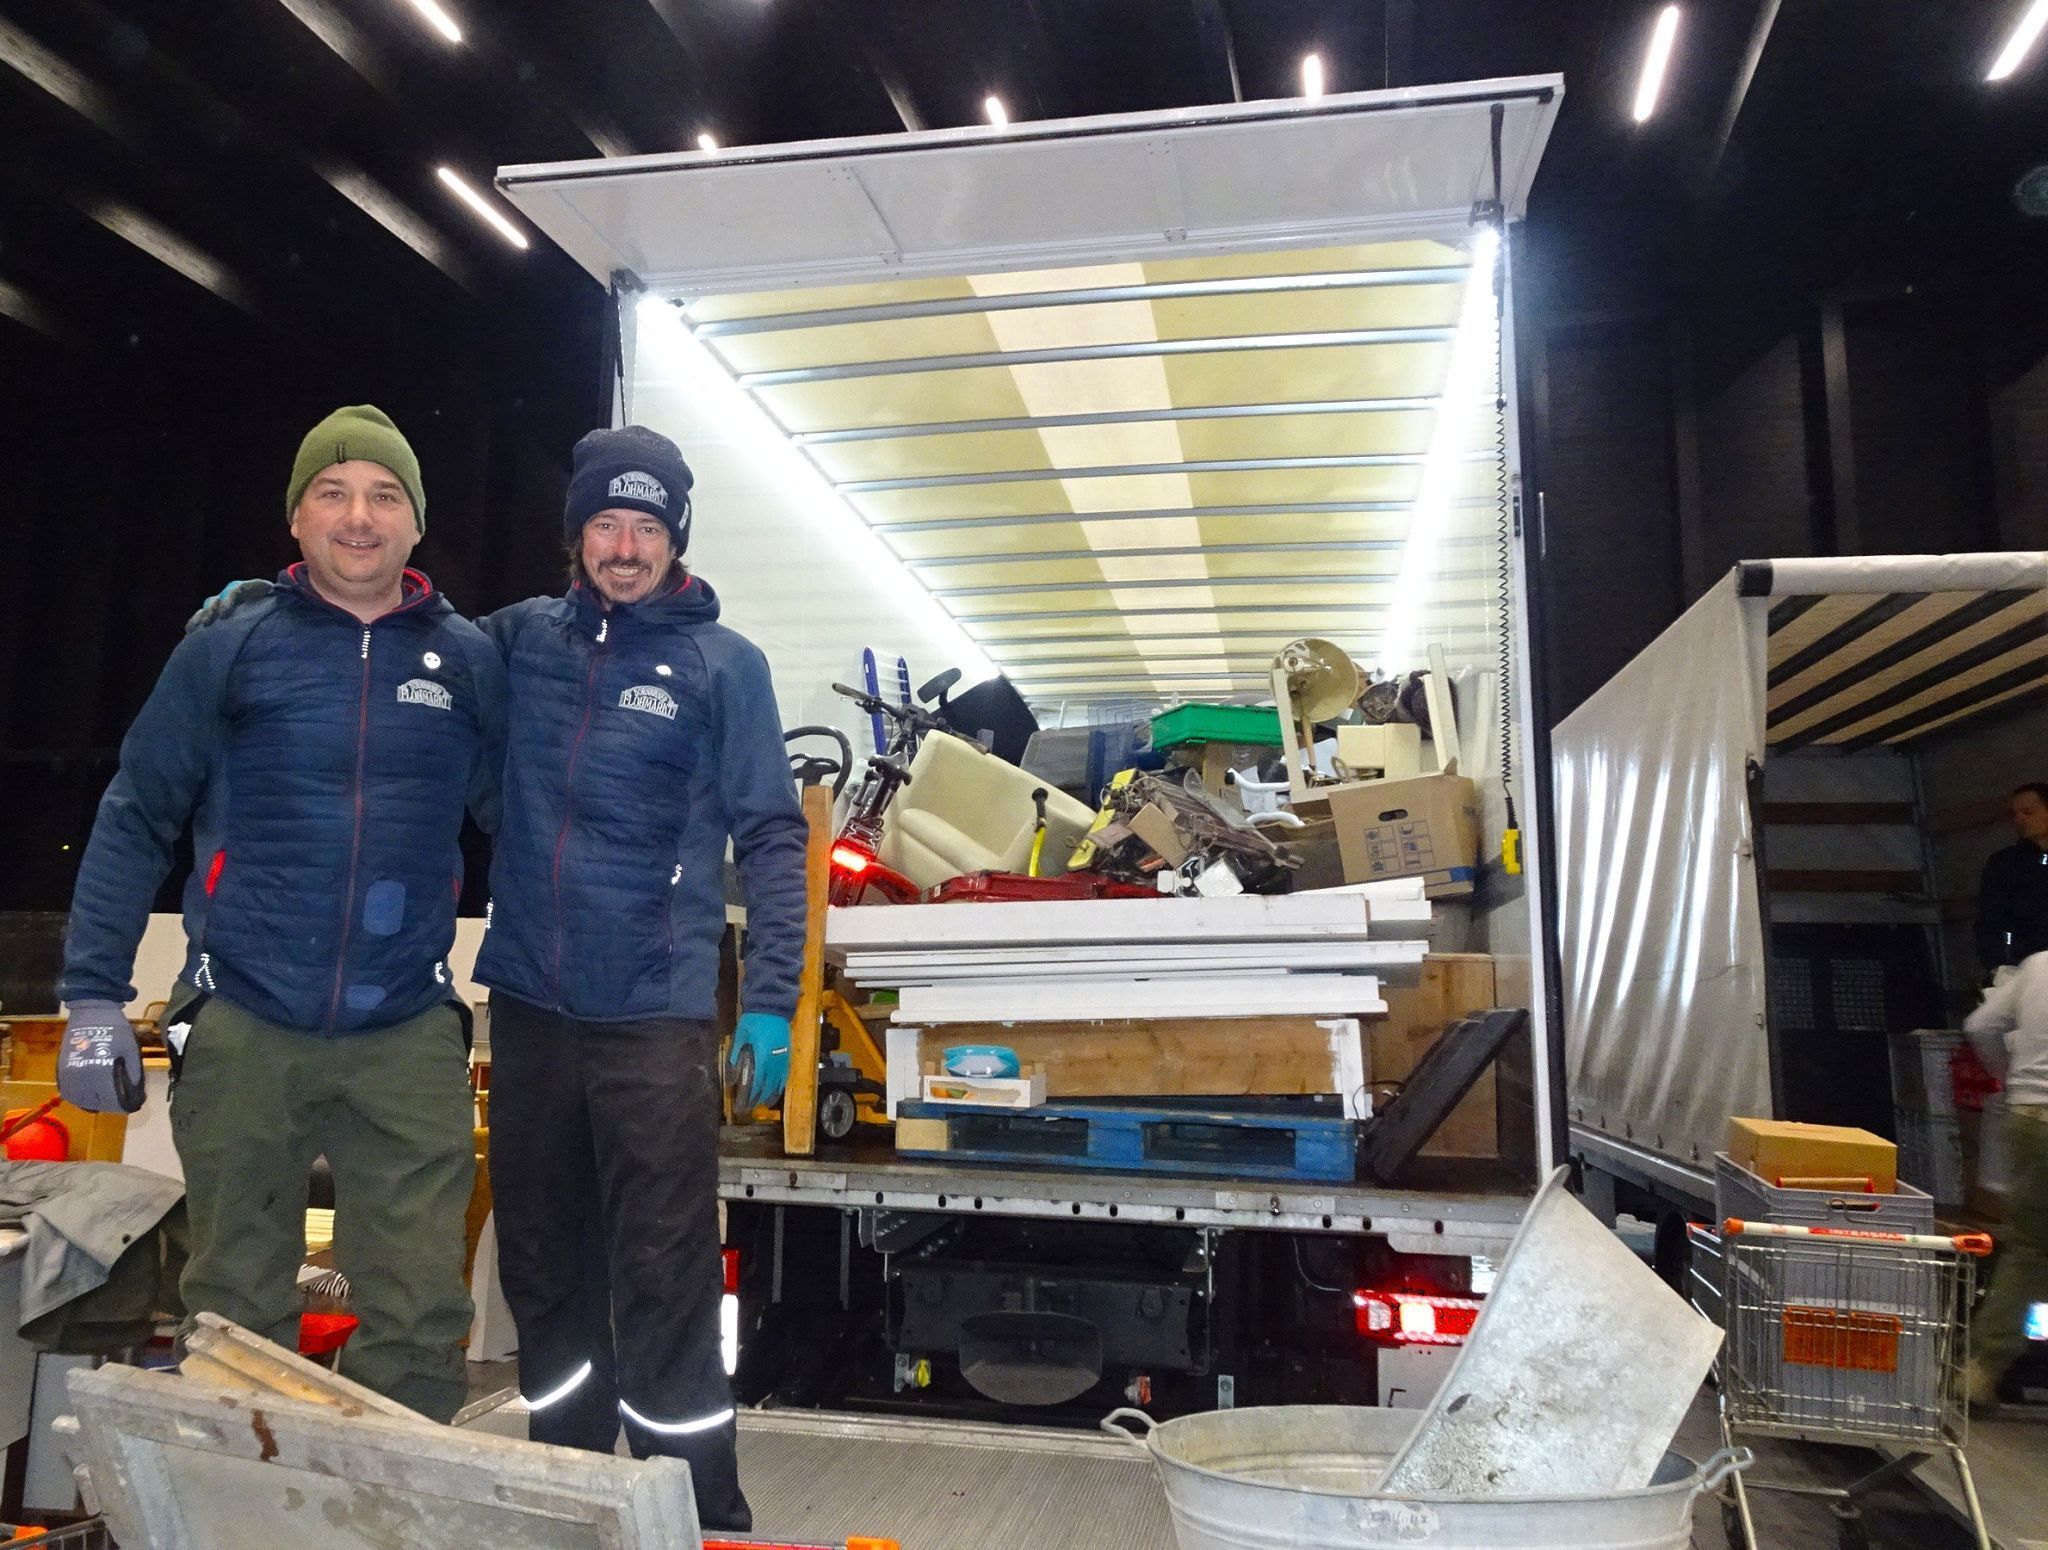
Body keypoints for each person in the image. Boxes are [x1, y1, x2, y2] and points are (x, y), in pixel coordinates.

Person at [58, 406, 506, 1422]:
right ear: (296, 518)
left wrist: (542, 984)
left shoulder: (467, 661)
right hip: (247, 1016)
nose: (359, 516)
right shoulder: (228, 649)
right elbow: (135, 814)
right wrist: (91, 997)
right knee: (232, 1304)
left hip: (405, 1027)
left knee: (417, 1311)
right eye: (333, 492)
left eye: (385, 494)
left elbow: (526, 829)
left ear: (416, 522)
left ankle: (400, 1520)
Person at [475, 426, 807, 1531]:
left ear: (675, 540)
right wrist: (286, 610)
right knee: (542, 1267)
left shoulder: (726, 667)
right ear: (575, 536)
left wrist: (766, 998)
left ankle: (698, 1506)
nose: (624, 546)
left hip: (653, 1018)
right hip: (528, 1008)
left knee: (663, 1272)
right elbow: (404, 654)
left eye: (647, 526)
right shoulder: (518, 641)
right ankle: (567, 1489)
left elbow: (770, 838)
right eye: (606, 524)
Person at [1964, 949, 2048, 1406]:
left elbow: (1980, 1026)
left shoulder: (2037, 966)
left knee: (2030, 1249)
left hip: (2031, 1118)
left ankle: (1980, 1368)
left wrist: (2012, 1078)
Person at [1975, 783, 2048, 976]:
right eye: (2014, 814)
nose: (2019, 819)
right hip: (2024, 971)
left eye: (2028, 812)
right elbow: (1991, 920)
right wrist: (2000, 964)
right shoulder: (2004, 864)